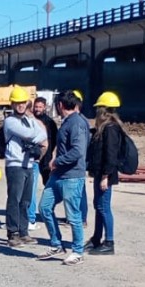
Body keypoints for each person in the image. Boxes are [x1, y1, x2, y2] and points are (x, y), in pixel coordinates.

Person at [35, 91, 90, 264]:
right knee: (44, 207)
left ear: (60, 105)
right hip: (58, 175)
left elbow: (77, 151)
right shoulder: (67, 122)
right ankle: (56, 244)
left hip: (72, 176)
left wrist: (57, 161)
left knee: (73, 215)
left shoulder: (77, 123)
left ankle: (78, 251)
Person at [1, 85, 47, 247]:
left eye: (23, 102)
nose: (20, 105)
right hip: (15, 164)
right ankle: (12, 233)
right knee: (15, 199)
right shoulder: (10, 121)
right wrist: (35, 135)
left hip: (28, 164)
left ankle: (23, 231)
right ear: (12, 104)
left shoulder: (29, 120)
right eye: (17, 103)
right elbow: (29, 134)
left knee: (26, 200)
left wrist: (34, 133)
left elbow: (43, 134)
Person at [87, 91, 124, 255]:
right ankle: (96, 238)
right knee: (98, 205)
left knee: (104, 207)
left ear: (103, 110)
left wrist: (105, 177)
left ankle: (109, 242)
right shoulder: (104, 128)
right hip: (100, 173)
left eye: (99, 109)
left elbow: (110, 155)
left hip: (105, 175)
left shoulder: (110, 129)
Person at [29, 96, 58, 230]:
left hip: (47, 159)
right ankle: (31, 214)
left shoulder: (50, 123)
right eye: (36, 107)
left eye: (40, 107)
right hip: (34, 158)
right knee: (31, 188)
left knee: (49, 186)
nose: (38, 109)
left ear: (45, 107)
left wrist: (53, 157)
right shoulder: (30, 121)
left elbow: (56, 142)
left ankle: (48, 210)